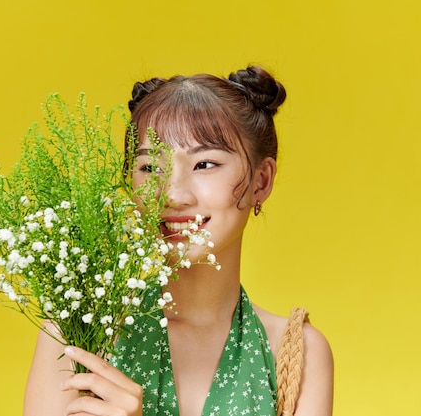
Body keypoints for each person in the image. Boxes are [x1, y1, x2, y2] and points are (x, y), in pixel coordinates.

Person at [23, 66, 333, 416]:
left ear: (260, 181)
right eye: (150, 168)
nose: (173, 194)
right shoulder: (78, 335)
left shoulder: (294, 352)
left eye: (204, 164)